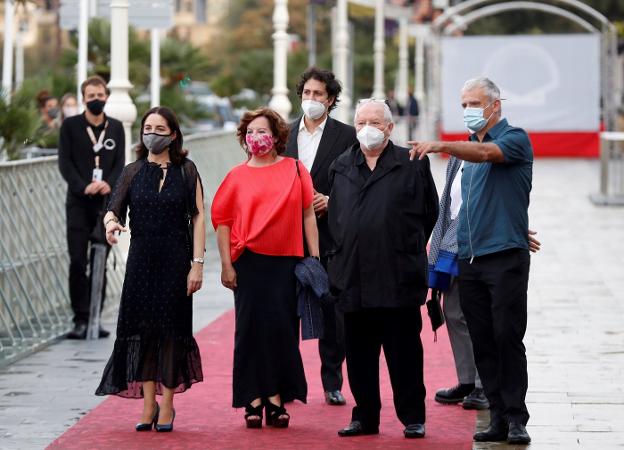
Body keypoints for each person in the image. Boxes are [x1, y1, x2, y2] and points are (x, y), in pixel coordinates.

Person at [409, 77, 534, 445]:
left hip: (505, 260)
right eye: (463, 104)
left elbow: (487, 155)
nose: (468, 111)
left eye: (474, 104)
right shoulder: (465, 154)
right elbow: (464, 206)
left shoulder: (513, 139)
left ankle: (516, 418)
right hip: (471, 258)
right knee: (482, 339)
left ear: (496, 105)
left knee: (507, 336)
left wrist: (441, 144)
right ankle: (496, 415)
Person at [328, 99, 439, 439]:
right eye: (361, 121)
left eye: (376, 121)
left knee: (404, 352)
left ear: (390, 128)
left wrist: (405, 242)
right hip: (352, 275)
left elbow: (429, 212)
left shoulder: (412, 163)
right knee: (359, 355)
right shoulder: (342, 165)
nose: (367, 128)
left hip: (398, 275)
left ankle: (412, 417)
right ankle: (365, 417)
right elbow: (336, 216)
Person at [95, 106, 205, 433]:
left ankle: (168, 402)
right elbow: (112, 209)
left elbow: (199, 216)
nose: (152, 133)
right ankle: (148, 403)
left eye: (159, 128)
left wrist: (197, 265)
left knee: (172, 330)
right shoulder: (132, 171)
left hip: (175, 260)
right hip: (141, 261)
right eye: (147, 127)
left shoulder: (187, 170)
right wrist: (111, 223)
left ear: (173, 134)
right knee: (142, 331)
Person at [212, 107, 320, 429]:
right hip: (249, 264)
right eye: (250, 132)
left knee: (282, 332)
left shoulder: (296, 170)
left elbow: (308, 215)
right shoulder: (235, 176)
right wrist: (226, 266)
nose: (255, 137)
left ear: (276, 137)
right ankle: (252, 399)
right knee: (249, 332)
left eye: (262, 131)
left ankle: (275, 398)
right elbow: (223, 223)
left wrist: (314, 259)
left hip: (287, 263)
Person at [429, 156, 541, 411]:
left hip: (484, 242)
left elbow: (505, 197)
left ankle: (484, 385)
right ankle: (467, 380)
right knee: (453, 311)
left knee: (483, 317)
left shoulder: (497, 155)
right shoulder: (457, 157)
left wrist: (515, 228)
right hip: (451, 239)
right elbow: (448, 201)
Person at [285, 67, 357, 407]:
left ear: (330, 99)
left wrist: (332, 201)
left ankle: (332, 381)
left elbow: (357, 184)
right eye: (306, 94)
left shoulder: (347, 136)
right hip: (285, 236)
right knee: (285, 311)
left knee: (332, 309)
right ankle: (288, 383)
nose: (311, 100)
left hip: (329, 236)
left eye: (318, 94)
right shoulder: (282, 134)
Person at [58, 76, 125, 339]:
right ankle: (80, 318)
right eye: (90, 95)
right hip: (78, 202)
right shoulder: (71, 126)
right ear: (83, 98)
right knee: (77, 261)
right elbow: (64, 162)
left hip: (106, 204)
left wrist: (109, 183)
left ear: (106, 97)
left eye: (100, 95)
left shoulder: (116, 127)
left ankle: (96, 316)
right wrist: (83, 185)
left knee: (101, 260)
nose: (95, 99)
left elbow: (121, 161)